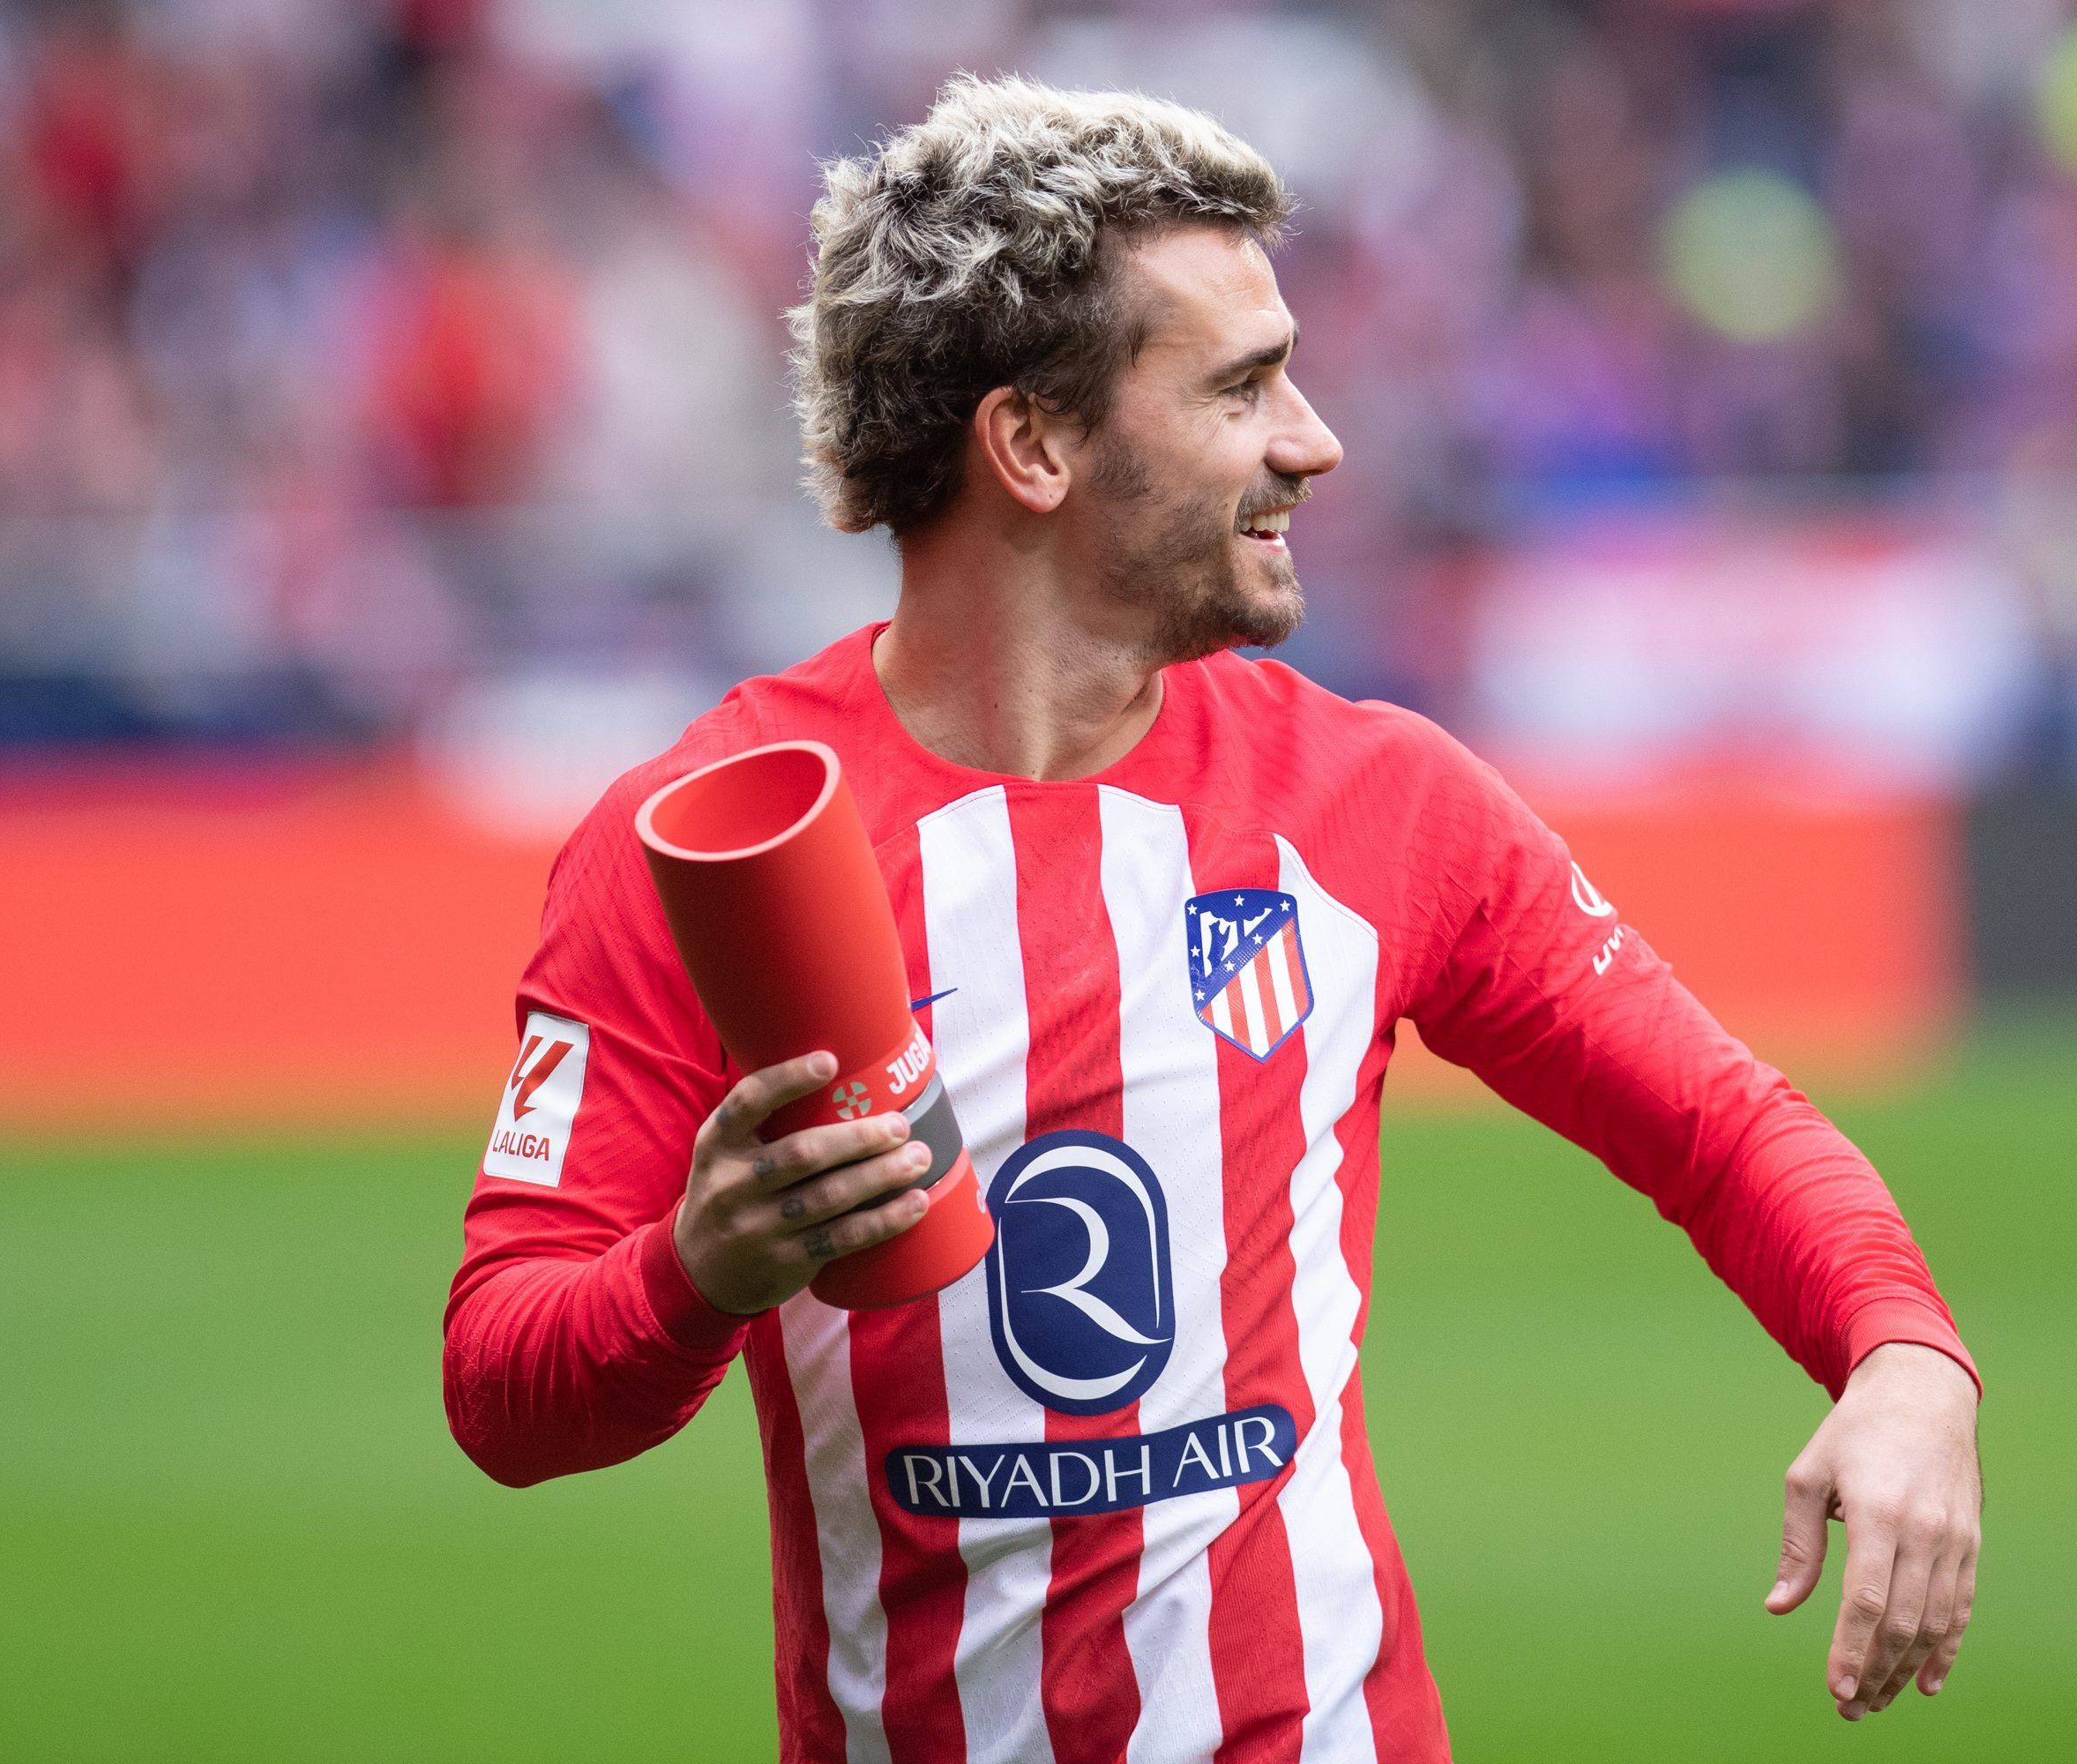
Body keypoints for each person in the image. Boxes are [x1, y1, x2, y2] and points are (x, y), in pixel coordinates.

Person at [443, 73, 1982, 1762]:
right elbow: (504, 1383)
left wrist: (1904, 1354)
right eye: (1243, 386)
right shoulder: (707, 841)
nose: (1312, 439)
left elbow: (1718, 1124)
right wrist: (694, 1274)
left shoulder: (1380, 804)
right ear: (1032, 442)